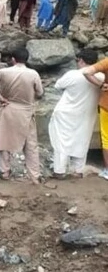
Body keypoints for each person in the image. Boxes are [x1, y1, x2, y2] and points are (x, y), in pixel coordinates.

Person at [0, 48, 44, 184]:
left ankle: (5, 172)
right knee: (30, 144)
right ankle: (35, 176)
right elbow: (40, 93)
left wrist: (0, 98)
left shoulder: (3, 72)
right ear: (26, 59)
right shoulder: (33, 74)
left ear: (13, 59)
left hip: (8, 109)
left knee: (4, 141)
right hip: (26, 111)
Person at [49, 50, 103, 179]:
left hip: (66, 113)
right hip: (87, 114)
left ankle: (59, 170)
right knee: (82, 141)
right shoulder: (100, 76)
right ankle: (78, 170)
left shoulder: (73, 74)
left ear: (82, 61)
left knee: (62, 142)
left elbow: (58, 85)